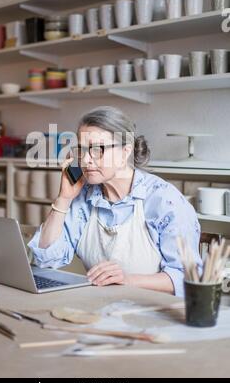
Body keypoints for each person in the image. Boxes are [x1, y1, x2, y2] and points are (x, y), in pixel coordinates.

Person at [28, 106, 202, 297]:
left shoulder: (164, 200)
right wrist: (64, 198)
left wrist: (127, 280)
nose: (85, 160)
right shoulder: (84, 199)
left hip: (155, 314)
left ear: (125, 151)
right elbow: (45, 259)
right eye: (82, 150)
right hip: (102, 307)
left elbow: (188, 277)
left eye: (97, 150)